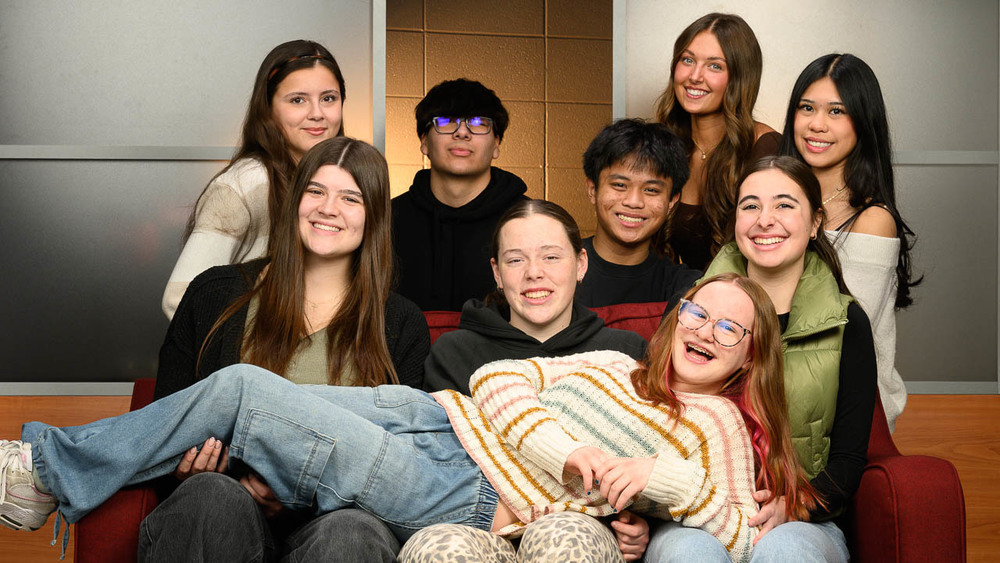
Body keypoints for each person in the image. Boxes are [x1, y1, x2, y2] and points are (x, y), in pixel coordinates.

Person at [2, 274, 820, 563]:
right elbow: (501, 380)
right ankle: (46, 476)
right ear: (676, 315)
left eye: (730, 327)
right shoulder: (611, 361)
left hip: (460, 484)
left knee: (248, 392)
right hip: (433, 414)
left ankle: (40, 472)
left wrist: (653, 476)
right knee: (237, 381)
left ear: (750, 355)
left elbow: (737, 524)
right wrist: (572, 452)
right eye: (698, 310)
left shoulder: (712, 423)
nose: (707, 331)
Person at [145, 137, 430, 562]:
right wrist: (189, 469)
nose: (327, 208)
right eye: (315, 191)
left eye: (350, 197)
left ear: (374, 218)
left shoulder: (401, 323)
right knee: (210, 495)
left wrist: (301, 492)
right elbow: (163, 429)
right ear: (294, 201)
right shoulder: (213, 296)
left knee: (352, 532)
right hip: (222, 511)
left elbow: (402, 471)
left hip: (335, 524)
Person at [645, 156, 878, 562]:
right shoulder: (691, 306)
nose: (764, 220)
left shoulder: (846, 321)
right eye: (750, 205)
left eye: (784, 205)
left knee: (786, 551)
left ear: (815, 221)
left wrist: (796, 504)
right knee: (688, 553)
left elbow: (848, 459)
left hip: (803, 521)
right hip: (690, 516)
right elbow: (645, 415)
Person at [779, 53, 919, 431]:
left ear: (863, 122)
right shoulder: (773, 201)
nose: (816, 125)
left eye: (836, 111)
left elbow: (840, 332)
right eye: (806, 107)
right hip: (776, 383)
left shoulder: (873, 220)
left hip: (847, 407)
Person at [161, 40, 347, 319]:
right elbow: (181, 298)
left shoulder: (339, 182)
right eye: (298, 100)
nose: (317, 113)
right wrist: (251, 354)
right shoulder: (248, 183)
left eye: (328, 98)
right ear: (268, 109)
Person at [421, 199, 647, 396]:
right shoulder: (453, 355)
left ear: (580, 265)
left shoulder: (627, 351)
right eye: (516, 260)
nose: (533, 273)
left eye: (550, 257)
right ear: (497, 273)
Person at [654, 13, 780, 270]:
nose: (695, 76)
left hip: (745, 301)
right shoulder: (662, 146)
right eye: (687, 60)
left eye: (714, 66)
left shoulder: (765, 149)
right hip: (681, 300)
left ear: (740, 78)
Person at [392, 78, 529, 311]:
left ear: (496, 143)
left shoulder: (530, 220)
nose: (462, 132)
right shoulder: (386, 219)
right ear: (424, 141)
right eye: (446, 121)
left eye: (477, 122)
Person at [576, 118, 701, 308]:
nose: (634, 202)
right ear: (593, 189)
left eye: (651, 190)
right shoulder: (553, 271)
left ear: (672, 202)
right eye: (619, 185)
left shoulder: (687, 289)